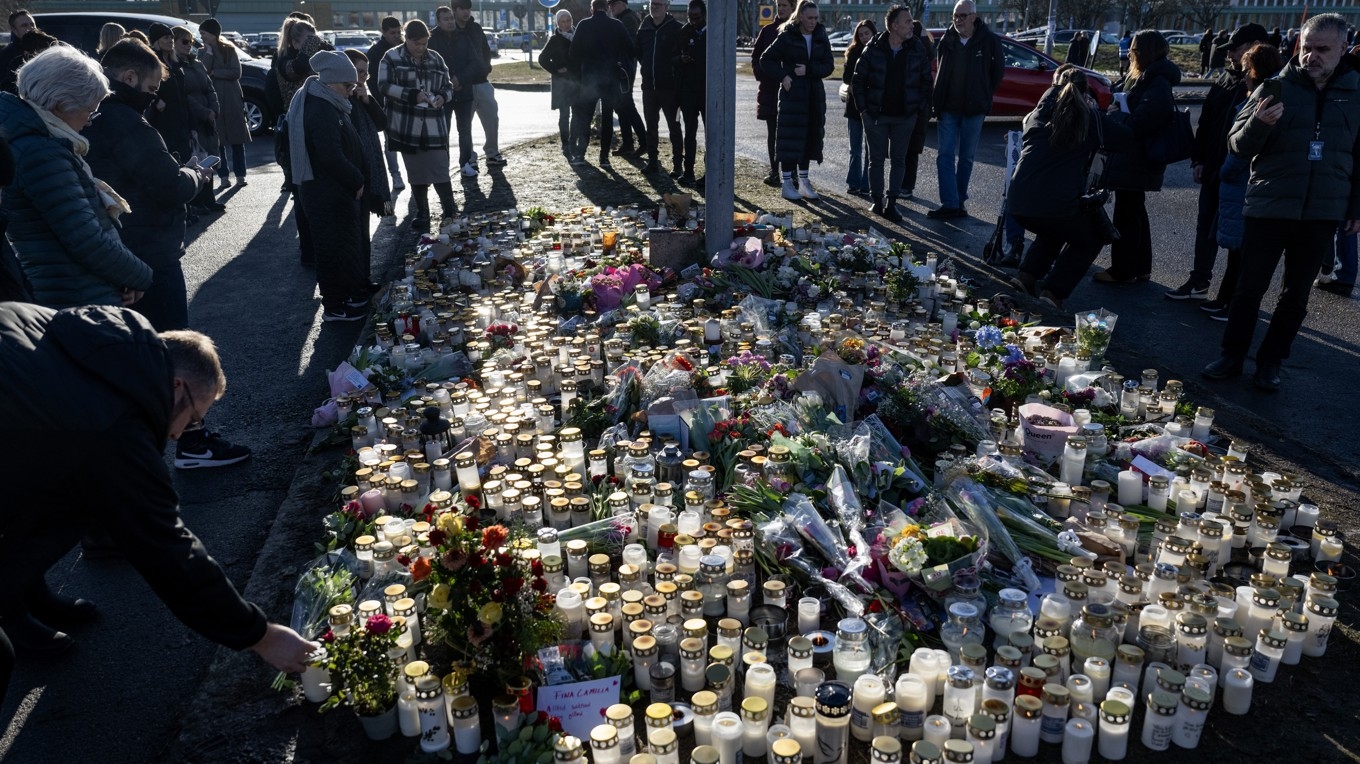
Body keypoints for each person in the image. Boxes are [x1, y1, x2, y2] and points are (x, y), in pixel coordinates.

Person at [0, 301, 314, 699]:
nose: (180, 435)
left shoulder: (107, 337)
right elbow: (165, 546)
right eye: (195, 419)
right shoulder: (109, 429)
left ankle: (19, 590)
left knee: (75, 501)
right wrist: (261, 635)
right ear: (178, 386)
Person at [1203, 13, 1360, 391]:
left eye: (1322, 49)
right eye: (1307, 47)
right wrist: (1260, 124)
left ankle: (1271, 362)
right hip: (1269, 206)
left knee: (1296, 296)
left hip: (1321, 211)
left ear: (1343, 48)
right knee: (1249, 288)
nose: (1312, 56)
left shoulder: (1355, 93)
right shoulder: (1276, 87)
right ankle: (1232, 355)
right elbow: (1236, 144)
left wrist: (1355, 207)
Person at [0, 46, 152, 310]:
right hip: (78, 298)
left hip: (70, 290)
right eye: (90, 110)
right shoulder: (42, 154)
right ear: (60, 103)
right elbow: (86, 239)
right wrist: (141, 276)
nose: (91, 120)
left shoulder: (35, 141)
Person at [85, 38, 208, 333]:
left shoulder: (90, 118)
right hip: (149, 251)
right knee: (169, 345)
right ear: (130, 77)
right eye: (152, 89)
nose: (153, 98)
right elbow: (170, 185)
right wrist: (196, 175)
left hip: (119, 251)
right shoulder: (127, 123)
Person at [1007, 67, 1134, 311]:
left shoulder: (1035, 115)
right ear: (1085, 92)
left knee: (1056, 226)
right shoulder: (1090, 118)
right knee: (1091, 238)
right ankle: (1053, 293)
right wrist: (1113, 116)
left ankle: (1026, 278)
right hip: (1057, 203)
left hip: (1019, 202)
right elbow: (1126, 138)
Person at [1168, 23, 1269, 302]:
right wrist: (1198, 159)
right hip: (1213, 168)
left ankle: (1229, 296)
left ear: (1255, 46)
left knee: (1237, 237)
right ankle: (1199, 282)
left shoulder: (1267, 81)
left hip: (1243, 174)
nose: (1230, 55)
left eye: (1235, 49)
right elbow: (1207, 123)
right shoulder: (1226, 79)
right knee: (1205, 227)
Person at [288, 50, 369, 323]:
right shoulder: (321, 107)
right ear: (332, 81)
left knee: (343, 246)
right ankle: (334, 306)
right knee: (330, 249)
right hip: (325, 192)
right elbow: (330, 154)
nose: (350, 91)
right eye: (348, 85)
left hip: (334, 191)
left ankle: (347, 295)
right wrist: (356, 179)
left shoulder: (329, 100)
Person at [1209, 43, 1285, 322]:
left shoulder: (1263, 98)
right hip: (1242, 182)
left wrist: (1227, 170)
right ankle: (1225, 299)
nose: (1242, 75)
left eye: (1245, 69)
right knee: (1237, 252)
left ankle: (1232, 305)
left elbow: (1245, 145)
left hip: (1244, 182)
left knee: (1243, 253)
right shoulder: (1259, 94)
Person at [1095, 30, 1179, 284]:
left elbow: (1144, 120)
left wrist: (1117, 114)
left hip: (1138, 156)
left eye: (1134, 49)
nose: (1129, 53)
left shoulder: (1157, 82)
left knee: (1127, 215)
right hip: (1135, 156)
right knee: (1135, 211)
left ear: (1144, 53)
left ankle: (1123, 270)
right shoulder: (1151, 77)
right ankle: (1140, 267)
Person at [853, 7, 933, 224]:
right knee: (876, 160)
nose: (912, 25)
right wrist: (863, 111)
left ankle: (892, 203)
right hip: (876, 115)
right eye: (907, 22)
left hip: (905, 116)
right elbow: (858, 79)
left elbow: (927, 81)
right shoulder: (874, 47)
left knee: (899, 159)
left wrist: (918, 109)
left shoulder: (916, 47)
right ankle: (877, 201)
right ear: (894, 26)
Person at [927, 0, 1004, 219]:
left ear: (974, 17)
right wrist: (937, 102)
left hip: (975, 109)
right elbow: (941, 74)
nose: (958, 20)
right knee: (944, 156)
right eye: (955, 16)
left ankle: (959, 201)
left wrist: (983, 93)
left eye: (962, 16)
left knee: (967, 158)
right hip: (948, 108)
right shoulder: (947, 40)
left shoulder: (989, 41)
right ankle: (950, 203)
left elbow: (997, 73)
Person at [378, 20, 457, 232]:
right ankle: (422, 212)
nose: (421, 48)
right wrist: (412, 95)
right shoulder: (391, 57)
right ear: (406, 39)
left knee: (440, 167)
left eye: (424, 43)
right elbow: (383, 86)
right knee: (416, 171)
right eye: (416, 44)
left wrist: (442, 96)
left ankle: (449, 209)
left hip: (434, 125)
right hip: (406, 125)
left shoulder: (436, 58)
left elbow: (448, 86)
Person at [760, 0, 834, 201]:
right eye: (809, 17)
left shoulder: (820, 35)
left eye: (816, 18)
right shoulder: (787, 35)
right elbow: (766, 59)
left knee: (810, 137)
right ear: (800, 16)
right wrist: (784, 76)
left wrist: (809, 70)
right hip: (792, 96)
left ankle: (804, 182)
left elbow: (829, 65)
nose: (813, 22)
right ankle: (787, 183)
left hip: (814, 95)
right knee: (790, 138)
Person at [343, 47, 391, 295]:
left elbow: (382, 124)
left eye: (367, 73)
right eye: (360, 72)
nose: (364, 77)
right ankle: (356, 282)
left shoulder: (361, 94)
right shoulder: (341, 97)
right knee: (354, 233)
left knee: (363, 231)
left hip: (367, 173)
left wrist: (367, 99)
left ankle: (364, 277)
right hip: (352, 175)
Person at [567, 0, 634, 169]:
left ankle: (581, 154)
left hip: (589, 79)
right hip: (610, 79)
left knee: (586, 118)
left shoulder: (583, 25)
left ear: (592, 9)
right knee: (607, 119)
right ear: (606, 8)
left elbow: (573, 53)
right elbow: (630, 48)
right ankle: (604, 157)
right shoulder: (616, 25)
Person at [429, 3, 487, 179]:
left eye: (451, 18)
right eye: (446, 19)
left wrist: (460, 79)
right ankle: (442, 167)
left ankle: (465, 163)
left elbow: (476, 63)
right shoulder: (432, 39)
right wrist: (448, 83)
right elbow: (431, 67)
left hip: (464, 91)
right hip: (442, 95)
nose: (450, 22)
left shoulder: (463, 36)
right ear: (438, 21)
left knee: (465, 130)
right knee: (443, 132)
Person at [198, 18, 251, 188]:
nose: (202, 37)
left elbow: (236, 72)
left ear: (213, 34)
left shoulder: (229, 50)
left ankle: (241, 175)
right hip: (213, 100)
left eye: (204, 33)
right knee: (218, 141)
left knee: (237, 139)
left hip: (232, 98)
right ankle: (224, 176)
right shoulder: (202, 52)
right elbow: (203, 73)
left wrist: (216, 72)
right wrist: (208, 54)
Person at [636, 0, 683, 175]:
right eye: (652, 4)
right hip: (649, 86)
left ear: (666, 7)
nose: (654, 7)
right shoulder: (644, 28)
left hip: (669, 88)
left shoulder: (676, 28)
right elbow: (639, 52)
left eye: (658, 4)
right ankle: (653, 162)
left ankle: (678, 165)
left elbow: (679, 56)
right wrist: (647, 68)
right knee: (651, 127)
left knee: (674, 127)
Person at [751, 0, 793, 187]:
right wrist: (762, 75)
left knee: (792, 134)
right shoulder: (768, 31)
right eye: (779, 5)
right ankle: (774, 171)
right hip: (770, 91)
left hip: (793, 92)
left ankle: (792, 174)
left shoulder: (797, 30)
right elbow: (756, 56)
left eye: (785, 5)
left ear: (794, 7)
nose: (781, 8)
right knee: (773, 134)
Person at [367, 16, 405, 193]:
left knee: (409, 139)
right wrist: (382, 102)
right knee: (390, 141)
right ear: (384, 32)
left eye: (399, 32)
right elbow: (372, 82)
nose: (397, 36)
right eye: (393, 33)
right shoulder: (375, 53)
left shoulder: (405, 48)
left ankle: (412, 173)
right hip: (386, 102)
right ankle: (395, 175)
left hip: (406, 101)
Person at [608, 0, 648, 157]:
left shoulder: (628, 19)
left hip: (624, 68)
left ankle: (644, 142)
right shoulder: (623, 18)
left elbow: (629, 44)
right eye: (610, 5)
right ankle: (628, 143)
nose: (611, 7)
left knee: (627, 105)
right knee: (621, 106)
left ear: (622, 4)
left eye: (614, 4)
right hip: (623, 67)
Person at [673, 0, 707, 185]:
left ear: (704, 14)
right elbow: (673, 56)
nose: (693, 21)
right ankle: (688, 171)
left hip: (707, 91)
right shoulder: (684, 32)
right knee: (690, 132)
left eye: (697, 17)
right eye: (690, 17)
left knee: (711, 134)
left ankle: (710, 171)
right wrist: (680, 58)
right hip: (688, 91)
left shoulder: (712, 33)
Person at [841, 19, 876, 198]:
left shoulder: (879, 51)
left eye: (866, 33)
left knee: (871, 149)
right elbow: (846, 77)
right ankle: (853, 183)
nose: (863, 37)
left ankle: (866, 184)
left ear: (873, 33)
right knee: (855, 148)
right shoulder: (853, 52)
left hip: (873, 107)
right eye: (860, 34)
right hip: (854, 106)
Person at [901, 18, 935, 200]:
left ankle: (906, 186)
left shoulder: (921, 50)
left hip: (917, 108)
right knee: (903, 150)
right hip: (909, 107)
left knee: (911, 150)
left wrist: (922, 35)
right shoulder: (905, 47)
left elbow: (926, 54)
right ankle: (902, 185)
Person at [540, 9, 579, 159]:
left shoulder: (577, 36)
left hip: (576, 81)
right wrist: (556, 70)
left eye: (568, 20)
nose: (566, 24)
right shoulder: (554, 40)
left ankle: (574, 140)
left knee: (577, 113)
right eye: (562, 21)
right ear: (558, 23)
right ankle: (565, 142)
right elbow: (542, 59)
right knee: (564, 114)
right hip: (562, 83)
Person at [0, 9, 36, 93]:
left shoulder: (46, 49)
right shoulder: (6, 55)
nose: (30, 28)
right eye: (24, 25)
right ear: (14, 30)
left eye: (32, 24)